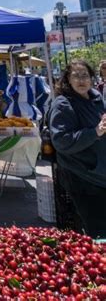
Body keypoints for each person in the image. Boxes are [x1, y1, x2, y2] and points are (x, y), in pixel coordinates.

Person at [49, 60, 106, 238]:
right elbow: (61, 141)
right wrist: (95, 132)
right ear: (67, 79)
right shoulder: (63, 104)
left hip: (100, 174)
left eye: (85, 76)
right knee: (98, 229)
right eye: (76, 75)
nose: (81, 80)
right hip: (82, 176)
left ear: (91, 78)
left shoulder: (96, 98)